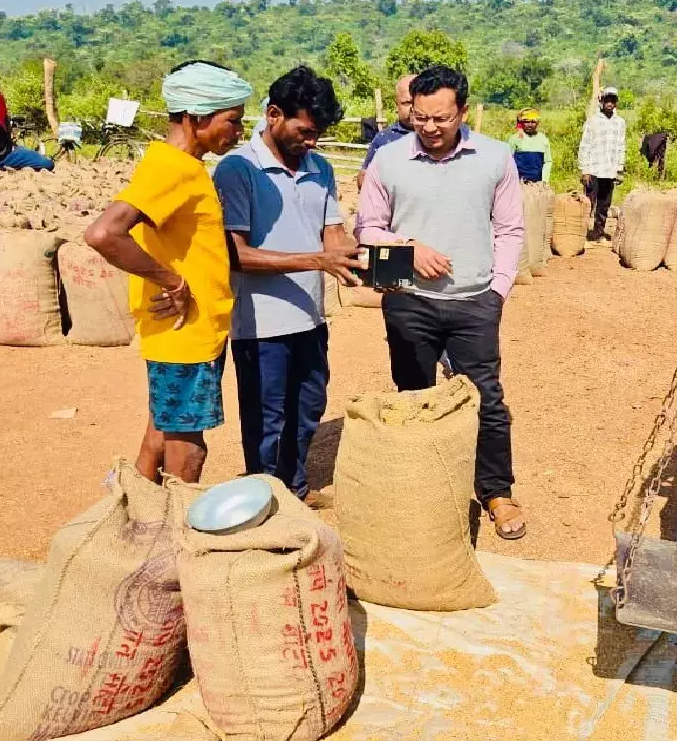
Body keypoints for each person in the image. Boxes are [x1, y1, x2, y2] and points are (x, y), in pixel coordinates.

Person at [355, 65, 529, 540]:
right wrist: (408, 250)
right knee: (414, 397)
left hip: (475, 301)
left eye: (441, 118)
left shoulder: (495, 158)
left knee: (486, 398)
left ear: (463, 112)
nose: (429, 128)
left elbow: (510, 230)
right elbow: (367, 228)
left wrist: (498, 290)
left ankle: (495, 491)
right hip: (409, 302)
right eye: (420, 117)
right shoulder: (388, 160)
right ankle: (418, 490)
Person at [84, 61, 252, 484]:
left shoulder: (180, 165)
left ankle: (137, 523)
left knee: (160, 433)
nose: (238, 132)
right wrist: (173, 281)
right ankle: (174, 539)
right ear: (197, 118)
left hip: (188, 331)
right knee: (187, 451)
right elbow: (104, 233)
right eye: (232, 120)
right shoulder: (174, 167)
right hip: (186, 335)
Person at [213, 66, 363, 507]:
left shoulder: (319, 168)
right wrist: (318, 260)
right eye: (305, 130)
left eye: (318, 133)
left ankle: (294, 491)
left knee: (308, 408)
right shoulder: (238, 169)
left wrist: (371, 261)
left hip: (310, 316)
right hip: (260, 324)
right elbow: (234, 254)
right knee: (266, 420)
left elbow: (333, 234)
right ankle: (264, 503)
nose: (312, 142)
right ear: (274, 114)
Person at [579, 86, 626, 241]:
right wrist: (584, 170)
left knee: (604, 205)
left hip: (610, 170)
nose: (610, 103)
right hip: (593, 168)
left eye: (613, 100)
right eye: (607, 100)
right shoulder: (593, 121)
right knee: (588, 204)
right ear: (602, 101)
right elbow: (585, 145)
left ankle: (598, 233)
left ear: (616, 103)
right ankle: (582, 233)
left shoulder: (620, 123)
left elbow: (621, 146)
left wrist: (619, 169)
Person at [361, 74, 415, 174]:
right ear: (396, 105)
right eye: (407, 103)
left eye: (416, 102)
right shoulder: (384, 139)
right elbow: (364, 177)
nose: (412, 108)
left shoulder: (437, 137)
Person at [506, 108, 552, 182]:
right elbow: (508, 161)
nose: (530, 125)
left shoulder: (543, 139)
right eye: (526, 122)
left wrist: (544, 181)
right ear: (522, 122)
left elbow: (547, 162)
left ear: (537, 123)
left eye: (533, 122)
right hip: (518, 183)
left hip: (538, 183)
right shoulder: (514, 139)